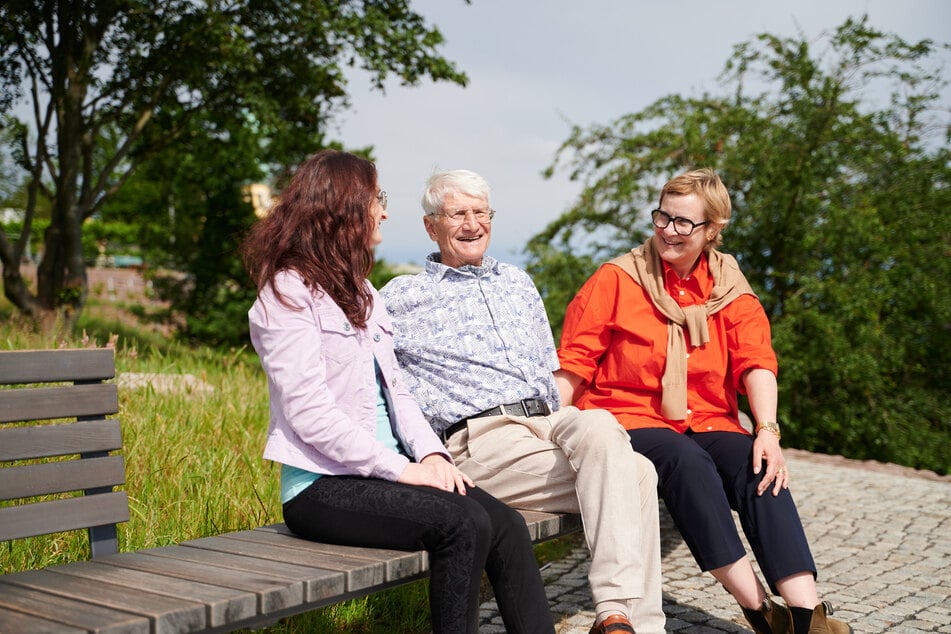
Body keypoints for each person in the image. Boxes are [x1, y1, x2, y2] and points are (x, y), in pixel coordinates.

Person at [241, 150, 554, 634]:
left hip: (389, 474)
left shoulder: (362, 292)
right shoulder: (287, 294)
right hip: (324, 485)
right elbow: (308, 413)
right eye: (376, 198)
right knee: (463, 525)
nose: (383, 210)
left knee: (506, 524)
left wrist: (432, 456)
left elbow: (399, 393)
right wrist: (403, 470)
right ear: (343, 208)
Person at [555, 168, 853, 634]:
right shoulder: (617, 279)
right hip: (629, 416)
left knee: (760, 467)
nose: (668, 231)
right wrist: (548, 429)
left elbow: (756, 362)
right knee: (685, 461)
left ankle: (807, 617)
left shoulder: (729, 286)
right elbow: (573, 362)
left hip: (710, 419)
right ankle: (759, 609)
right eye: (662, 217)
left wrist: (768, 432)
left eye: (684, 223)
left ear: (712, 230)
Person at [381, 169, 665, 634]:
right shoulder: (402, 296)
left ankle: (621, 618)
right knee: (637, 475)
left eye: (480, 213)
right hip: (481, 440)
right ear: (432, 226)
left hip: (548, 422)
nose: (472, 224)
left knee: (602, 430)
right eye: (458, 214)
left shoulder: (518, 281)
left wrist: (558, 415)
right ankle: (625, 618)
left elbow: (544, 365)